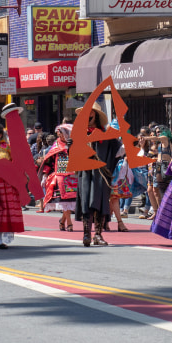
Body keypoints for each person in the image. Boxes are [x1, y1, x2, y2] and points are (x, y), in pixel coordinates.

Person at [73, 102, 120, 247]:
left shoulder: (106, 135)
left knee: (100, 203)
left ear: (96, 115)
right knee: (86, 202)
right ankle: (86, 233)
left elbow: (118, 150)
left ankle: (98, 235)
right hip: (85, 173)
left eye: (90, 112)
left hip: (101, 173)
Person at [39, 124, 78, 231]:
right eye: (58, 133)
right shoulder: (56, 144)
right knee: (65, 201)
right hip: (60, 176)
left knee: (70, 201)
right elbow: (49, 161)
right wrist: (45, 175)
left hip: (73, 175)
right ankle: (69, 223)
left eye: (60, 132)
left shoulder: (74, 143)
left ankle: (62, 220)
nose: (58, 134)